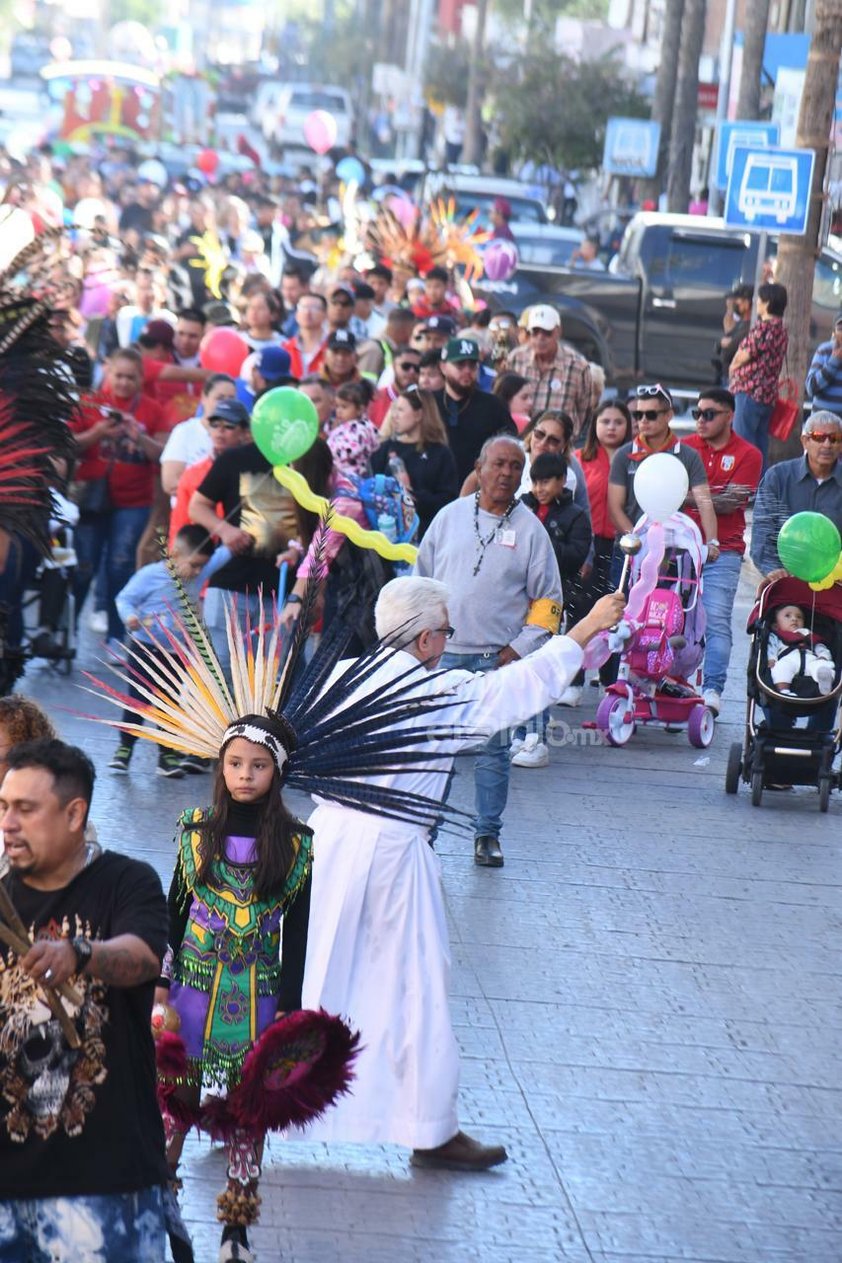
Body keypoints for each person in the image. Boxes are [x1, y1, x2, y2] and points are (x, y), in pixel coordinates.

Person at [301, 576, 626, 1162]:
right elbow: (521, 686)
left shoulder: (337, 679)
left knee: (300, 976)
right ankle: (429, 1129)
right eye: (445, 632)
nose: (446, 642)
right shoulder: (438, 693)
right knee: (418, 988)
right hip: (392, 854)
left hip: (324, 844)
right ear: (427, 639)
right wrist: (587, 626)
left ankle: (243, 1107)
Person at [0, 739, 175, 1261]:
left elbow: (142, 957)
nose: (8, 823)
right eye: (3, 807)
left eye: (26, 809)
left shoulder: (126, 883)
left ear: (75, 813)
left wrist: (80, 953)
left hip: (105, 1184)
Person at [153, 723, 313, 1263]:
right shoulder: (195, 831)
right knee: (175, 1102)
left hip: (260, 997)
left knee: (251, 1110)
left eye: (259, 766)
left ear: (278, 771)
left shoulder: (296, 844)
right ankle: (164, 1219)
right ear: (220, 767)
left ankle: (236, 1233)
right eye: (235, 763)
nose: (246, 775)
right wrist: (159, 987)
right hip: (190, 992)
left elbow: (298, 931)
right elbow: (174, 915)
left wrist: (289, 1009)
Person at [416, 436, 563, 867]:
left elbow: (548, 602)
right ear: (479, 468)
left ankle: (487, 836)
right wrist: (419, 642)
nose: (506, 473)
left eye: (516, 467)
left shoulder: (531, 531)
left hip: (493, 660)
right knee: (431, 748)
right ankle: (424, 831)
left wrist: (518, 650)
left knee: (494, 751)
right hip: (440, 657)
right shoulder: (448, 517)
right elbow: (419, 580)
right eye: (498, 464)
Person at [69, 347, 169, 644]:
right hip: (91, 497)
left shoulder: (153, 409)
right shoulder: (89, 403)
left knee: (120, 566)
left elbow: (164, 455)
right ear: (108, 373)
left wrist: (138, 435)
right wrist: (98, 432)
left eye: (130, 377)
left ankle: (116, 635)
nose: (124, 383)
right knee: (84, 565)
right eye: (119, 376)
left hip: (134, 502)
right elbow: (68, 445)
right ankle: (68, 630)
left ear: (140, 379)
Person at [110, 525, 222, 777]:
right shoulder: (150, 575)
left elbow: (224, 554)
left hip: (176, 652)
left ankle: (167, 755)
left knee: (170, 702)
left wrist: (236, 535)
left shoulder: (196, 576)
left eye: (201, 567)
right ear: (173, 554)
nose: (197, 573)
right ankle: (124, 748)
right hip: (145, 648)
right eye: (194, 565)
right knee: (138, 699)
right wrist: (129, 618)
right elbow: (124, 598)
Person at [683, 388, 762, 715]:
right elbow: (722, 498)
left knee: (715, 621)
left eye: (709, 414)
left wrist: (686, 495)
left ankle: (712, 689)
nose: (701, 420)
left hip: (724, 551)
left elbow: (734, 501)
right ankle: (675, 682)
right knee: (674, 619)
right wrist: (710, 497)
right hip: (681, 545)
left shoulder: (749, 454)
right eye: (697, 413)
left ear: (730, 416)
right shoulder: (683, 447)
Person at [511, 451, 592, 767]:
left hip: (550, 601)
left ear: (562, 481)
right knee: (515, 669)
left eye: (546, 481)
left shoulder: (575, 515)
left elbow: (575, 556)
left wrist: (544, 539)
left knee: (539, 668)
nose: (540, 488)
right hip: (517, 600)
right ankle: (516, 735)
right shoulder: (520, 508)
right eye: (535, 481)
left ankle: (536, 737)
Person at [567, 399, 633, 700]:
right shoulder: (580, 459)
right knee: (581, 609)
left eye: (618, 421)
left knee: (618, 614)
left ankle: (610, 681)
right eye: (605, 421)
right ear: (594, 425)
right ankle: (574, 679)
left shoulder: (634, 459)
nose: (611, 427)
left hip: (624, 545)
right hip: (589, 543)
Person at [607, 384, 719, 557]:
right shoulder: (624, 454)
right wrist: (637, 540)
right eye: (638, 414)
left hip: (672, 550)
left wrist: (712, 541)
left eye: (651, 415)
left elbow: (704, 502)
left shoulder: (688, 455)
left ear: (669, 415)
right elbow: (615, 508)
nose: (643, 420)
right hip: (630, 549)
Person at [750, 411, 842, 579]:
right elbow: (762, 534)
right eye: (819, 437)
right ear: (805, 441)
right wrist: (773, 571)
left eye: (834, 438)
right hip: (786, 576)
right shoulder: (778, 477)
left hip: (836, 580)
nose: (827, 445)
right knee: (789, 607)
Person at [372, 387, 459, 537]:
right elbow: (371, 486)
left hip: (426, 536)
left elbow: (448, 501)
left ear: (418, 414)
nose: (394, 416)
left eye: (400, 410)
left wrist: (413, 497)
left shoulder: (440, 453)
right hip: (386, 536)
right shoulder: (385, 448)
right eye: (393, 410)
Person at [169, 398, 253, 545]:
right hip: (201, 558)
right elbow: (178, 529)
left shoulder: (257, 471)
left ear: (246, 433)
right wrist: (175, 564)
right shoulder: (192, 474)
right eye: (214, 425)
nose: (220, 431)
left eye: (229, 425)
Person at [432, 338, 515, 483]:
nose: (467, 371)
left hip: (480, 487)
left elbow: (511, 445)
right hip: (434, 486)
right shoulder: (429, 403)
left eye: (472, 365)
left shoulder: (493, 405)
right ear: (443, 367)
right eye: (460, 365)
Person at [729, 281, 788, 470]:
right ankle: (762, 489)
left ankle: (745, 489)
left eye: (760, 300)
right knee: (760, 446)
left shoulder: (763, 328)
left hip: (749, 392)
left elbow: (744, 355)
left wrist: (732, 368)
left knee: (743, 443)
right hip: (768, 395)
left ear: (767, 302)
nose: (757, 303)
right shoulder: (782, 330)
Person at [505, 304, 592, 433]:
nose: (540, 337)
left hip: (562, 443)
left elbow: (584, 412)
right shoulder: (516, 359)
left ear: (558, 332)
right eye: (535, 332)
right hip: (523, 439)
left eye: (547, 332)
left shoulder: (578, 366)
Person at [160, 373, 237, 500]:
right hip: (188, 512)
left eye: (231, 399)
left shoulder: (238, 434)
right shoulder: (185, 431)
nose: (226, 404)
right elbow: (170, 483)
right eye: (220, 398)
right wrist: (209, 496)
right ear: (204, 398)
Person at [767, 604, 835, 696]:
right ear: (775, 625)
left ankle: (824, 681)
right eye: (788, 616)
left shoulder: (807, 634)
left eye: (799, 617)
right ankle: (784, 691)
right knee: (780, 668)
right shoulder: (776, 636)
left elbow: (819, 646)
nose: (794, 619)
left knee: (822, 666)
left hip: (810, 659)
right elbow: (771, 648)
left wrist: (823, 656)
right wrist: (772, 659)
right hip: (788, 659)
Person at [367, 345, 421, 428]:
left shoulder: (425, 400)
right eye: (405, 366)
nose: (412, 372)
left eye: (417, 368)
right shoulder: (375, 397)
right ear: (394, 366)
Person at [805, 312, 842, 418]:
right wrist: (834, 362)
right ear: (834, 333)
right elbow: (811, 388)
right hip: (821, 424)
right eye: (840, 329)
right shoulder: (824, 350)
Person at [717, 283, 753, 384]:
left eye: (737, 300)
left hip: (736, 381)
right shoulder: (741, 323)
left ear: (747, 303)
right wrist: (721, 343)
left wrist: (725, 344)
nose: (734, 303)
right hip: (727, 377)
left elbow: (727, 353)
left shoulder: (750, 327)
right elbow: (722, 341)